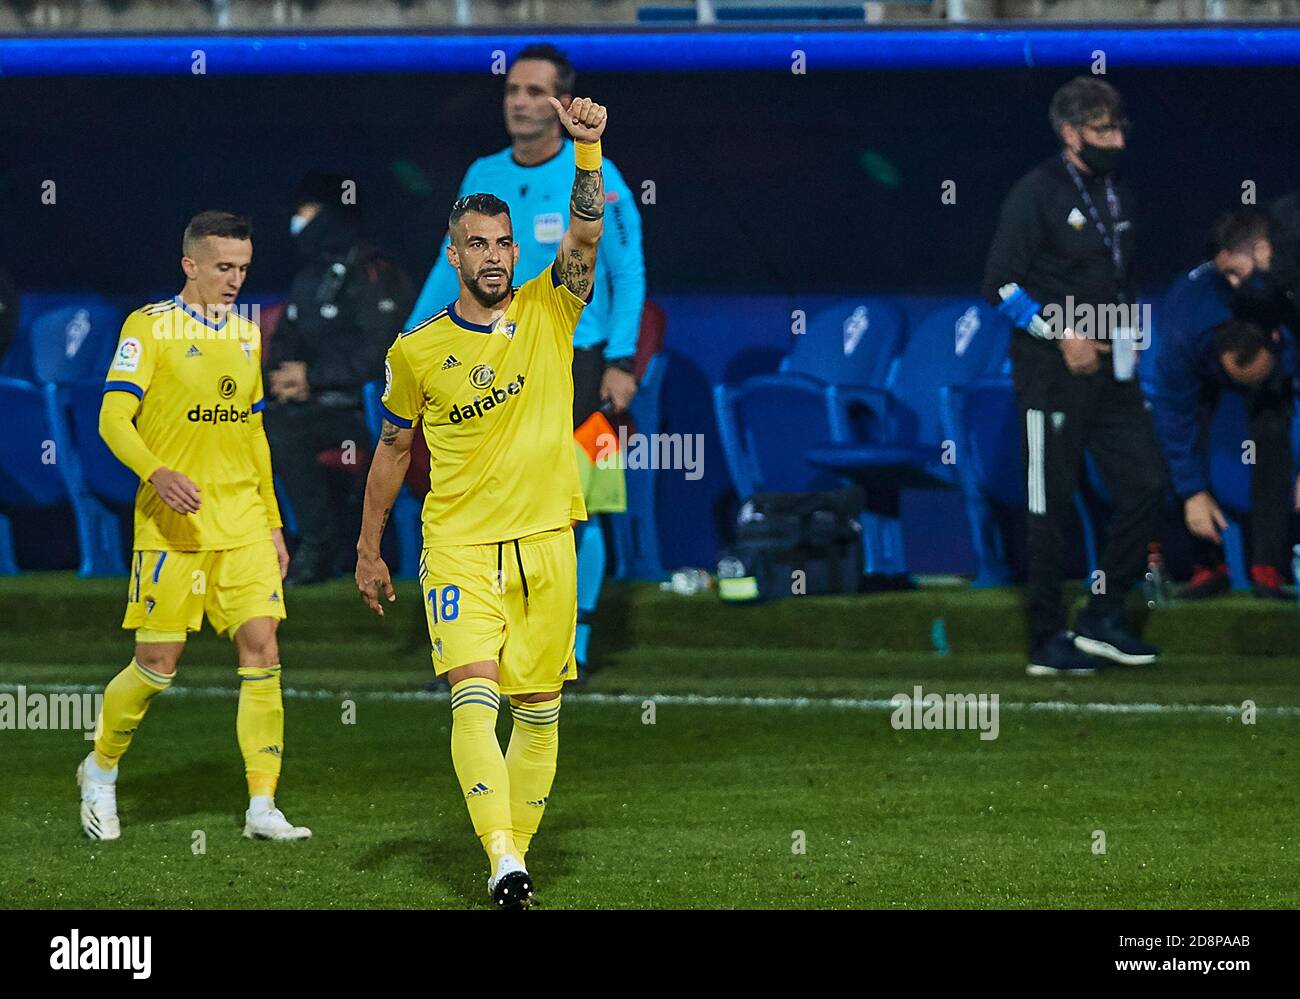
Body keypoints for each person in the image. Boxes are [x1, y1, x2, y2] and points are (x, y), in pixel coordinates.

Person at [355, 92, 607, 910]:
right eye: (478, 245)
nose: (495, 256)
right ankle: (501, 853)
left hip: (546, 541)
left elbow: (584, 236)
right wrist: (369, 547)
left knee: (537, 711)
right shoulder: (416, 351)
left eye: (503, 242)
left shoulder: (551, 306)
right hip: (459, 545)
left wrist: (589, 153)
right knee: (474, 693)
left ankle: (511, 861)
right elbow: (392, 450)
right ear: (455, 256)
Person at [407, 43, 644, 676]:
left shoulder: (600, 175)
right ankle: (487, 642)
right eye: (512, 90)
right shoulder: (481, 171)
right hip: (492, 362)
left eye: (534, 91)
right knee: (493, 502)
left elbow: (628, 271)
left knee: (581, 505)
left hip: (582, 359)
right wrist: (406, 344)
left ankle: (580, 640)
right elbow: (444, 264)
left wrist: (623, 359)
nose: (518, 101)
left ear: (562, 101)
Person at [81, 211, 310, 842]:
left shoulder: (245, 334)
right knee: (157, 665)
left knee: (262, 650)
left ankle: (261, 806)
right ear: (190, 265)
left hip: (241, 525)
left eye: (243, 268)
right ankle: (100, 770)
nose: (235, 279)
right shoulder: (148, 328)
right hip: (172, 529)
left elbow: (253, 432)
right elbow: (111, 421)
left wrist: (272, 521)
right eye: (223, 267)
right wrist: (157, 473)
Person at [981, 76, 1164, 676]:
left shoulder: (1118, 194)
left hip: (1113, 372)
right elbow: (1000, 286)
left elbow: (1118, 277)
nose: (1115, 140)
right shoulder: (1034, 194)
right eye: (1101, 131)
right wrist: (1060, 334)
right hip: (1050, 373)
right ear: (1069, 134)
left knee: (1145, 484)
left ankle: (1101, 616)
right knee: (1048, 507)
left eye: (1119, 129)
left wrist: (1127, 342)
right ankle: (1044, 639)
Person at [265, 173, 413, 585]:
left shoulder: (374, 272)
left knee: (284, 431)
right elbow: (283, 342)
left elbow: (386, 355)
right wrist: (281, 378)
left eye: (305, 213)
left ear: (331, 215)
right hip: (311, 407)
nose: (298, 223)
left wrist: (314, 377)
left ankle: (317, 547)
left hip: (366, 412)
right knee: (259, 425)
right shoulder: (310, 277)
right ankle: (268, 544)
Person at [1153, 211, 1297, 599]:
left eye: (1238, 273)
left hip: (1276, 371)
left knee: (1272, 428)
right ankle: (1207, 564)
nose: (1233, 283)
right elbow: (1172, 413)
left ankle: (1270, 566)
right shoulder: (1188, 321)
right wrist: (1191, 492)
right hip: (1202, 368)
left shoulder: (1289, 293)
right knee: (1187, 435)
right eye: (1226, 274)